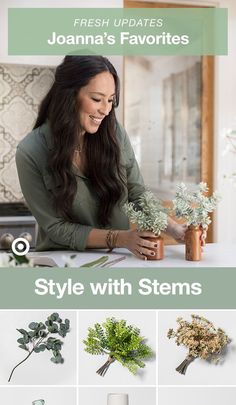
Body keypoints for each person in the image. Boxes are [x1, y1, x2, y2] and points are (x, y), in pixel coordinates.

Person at [16, 55, 186, 260]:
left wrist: (176, 229)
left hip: (118, 260)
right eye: (96, 99)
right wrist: (121, 238)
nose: (106, 110)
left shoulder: (114, 133)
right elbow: (56, 227)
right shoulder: (30, 150)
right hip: (63, 263)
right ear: (69, 96)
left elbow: (137, 193)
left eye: (110, 100)